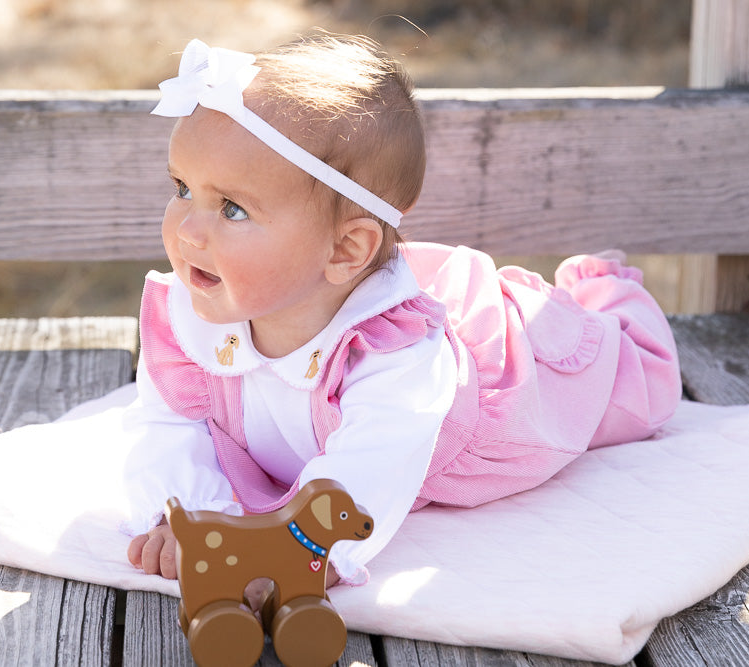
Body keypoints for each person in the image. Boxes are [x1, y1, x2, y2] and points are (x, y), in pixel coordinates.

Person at [123, 33, 681, 588]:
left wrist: (286, 552)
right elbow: (169, 425)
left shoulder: (396, 360)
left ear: (345, 250)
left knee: (634, 386)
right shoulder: (191, 314)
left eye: (233, 209)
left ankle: (607, 290)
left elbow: (364, 479)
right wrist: (193, 515)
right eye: (181, 188)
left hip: (490, 401)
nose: (187, 230)